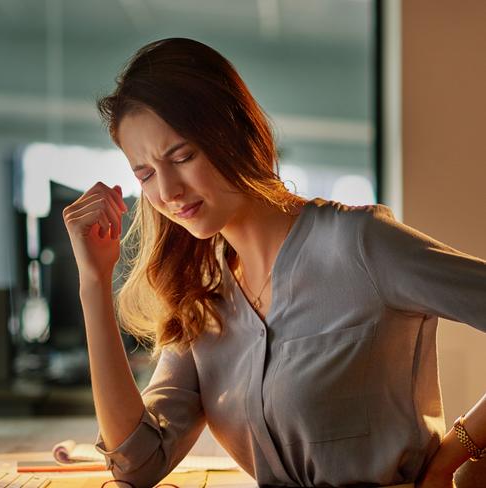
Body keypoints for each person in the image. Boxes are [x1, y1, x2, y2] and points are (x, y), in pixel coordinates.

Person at [62, 38, 486, 488]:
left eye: (182, 156)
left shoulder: (362, 245)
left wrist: (459, 449)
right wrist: (93, 282)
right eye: (144, 174)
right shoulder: (203, 300)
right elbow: (138, 464)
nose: (166, 191)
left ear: (233, 135)